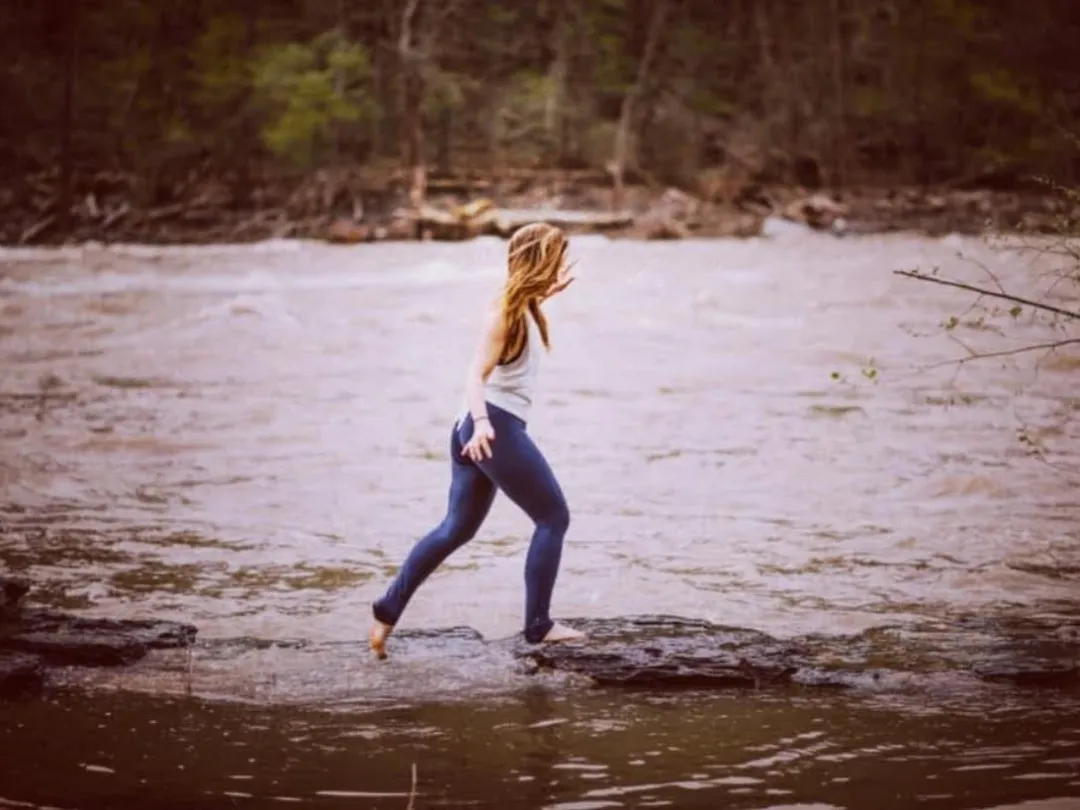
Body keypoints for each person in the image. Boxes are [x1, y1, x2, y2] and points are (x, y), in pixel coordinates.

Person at [368, 222, 586, 659]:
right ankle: (538, 627)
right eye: (556, 256)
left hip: (474, 427)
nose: (561, 264)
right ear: (540, 259)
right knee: (553, 517)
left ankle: (385, 613)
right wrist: (484, 423)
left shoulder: (518, 304)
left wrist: (546, 293)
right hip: (493, 426)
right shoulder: (504, 311)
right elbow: (474, 373)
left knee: (456, 528)